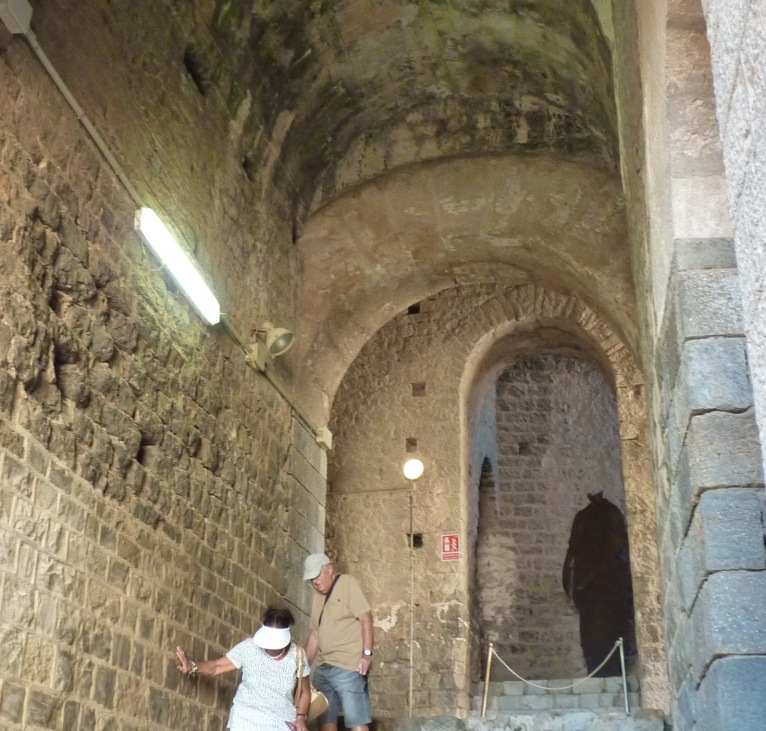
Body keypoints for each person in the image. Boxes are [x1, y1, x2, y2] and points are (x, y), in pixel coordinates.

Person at [175, 606, 310, 731]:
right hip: (245, 720)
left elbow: (305, 692)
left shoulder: (297, 655)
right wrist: (192, 666)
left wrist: (300, 718)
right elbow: (217, 666)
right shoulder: (249, 647)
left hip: (281, 724)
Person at [303, 553, 374, 731]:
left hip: (348, 666)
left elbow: (366, 618)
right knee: (325, 721)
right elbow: (315, 635)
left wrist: (366, 654)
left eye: (317, 576)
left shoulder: (347, 583)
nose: (315, 582)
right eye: (311, 579)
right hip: (323, 667)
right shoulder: (317, 597)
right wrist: (302, 667)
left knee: (356, 720)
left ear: (330, 569)